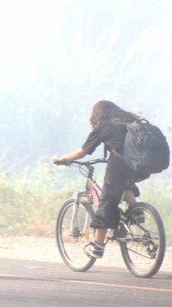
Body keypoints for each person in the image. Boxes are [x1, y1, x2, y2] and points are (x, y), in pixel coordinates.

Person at [53, 100, 146, 259]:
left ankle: (98, 245)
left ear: (98, 115)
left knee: (107, 201)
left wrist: (64, 159)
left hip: (120, 164)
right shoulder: (131, 122)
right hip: (143, 164)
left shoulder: (104, 126)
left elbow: (83, 151)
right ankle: (137, 212)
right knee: (125, 184)